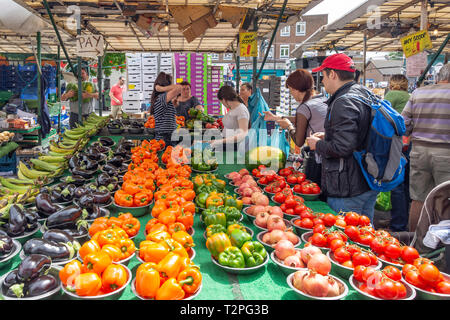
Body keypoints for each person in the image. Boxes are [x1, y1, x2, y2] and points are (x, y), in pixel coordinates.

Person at [305, 53, 378, 221]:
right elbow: (359, 133)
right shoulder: (364, 93)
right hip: (367, 179)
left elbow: (343, 148)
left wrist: (318, 145)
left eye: (322, 75)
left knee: (344, 237)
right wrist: (329, 135)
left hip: (347, 186)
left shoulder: (343, 101)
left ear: (333, 74)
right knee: (364, 238)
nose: (321, 81)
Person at [401, 63, 450, 232]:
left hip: (419, 152)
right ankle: (440, 248)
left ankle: (415, 240)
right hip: (446, 154)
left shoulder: (418, 93)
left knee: (418, 199)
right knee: (445, 200)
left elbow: (404, 125)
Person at [261, 69, 328, 186]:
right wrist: (276, 117)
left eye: (291, 90)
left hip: (318, 161)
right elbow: (304, 119)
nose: (291, 94)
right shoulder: (321, 99)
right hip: (329, 159)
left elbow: (299, 141)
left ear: (296, 89)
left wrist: (289, 127)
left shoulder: (305, 106)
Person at [384, 74, 411, 232]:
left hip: (396, 143)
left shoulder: (392, 95)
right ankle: (404, 219)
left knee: (397, 184)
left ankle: (397, 225)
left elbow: (383, 115)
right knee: (406, 184)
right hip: (409, 143)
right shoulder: (409, 96)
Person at [210, 85, 249, 150]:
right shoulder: (233, 108)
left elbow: (243, 134)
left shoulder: (241, 110)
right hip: (226, 144)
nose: (223, 104)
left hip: (234, 147)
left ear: (224, 100)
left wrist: (220, 141)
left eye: (222, 102)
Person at [151, 72, 182, 147]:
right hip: (165, 138)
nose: (172, 86)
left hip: (167, 137)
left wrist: (173, 105)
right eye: (170, 84)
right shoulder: (162, 97)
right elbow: (179, 87)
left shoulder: (161, 98)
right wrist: (160, 88)